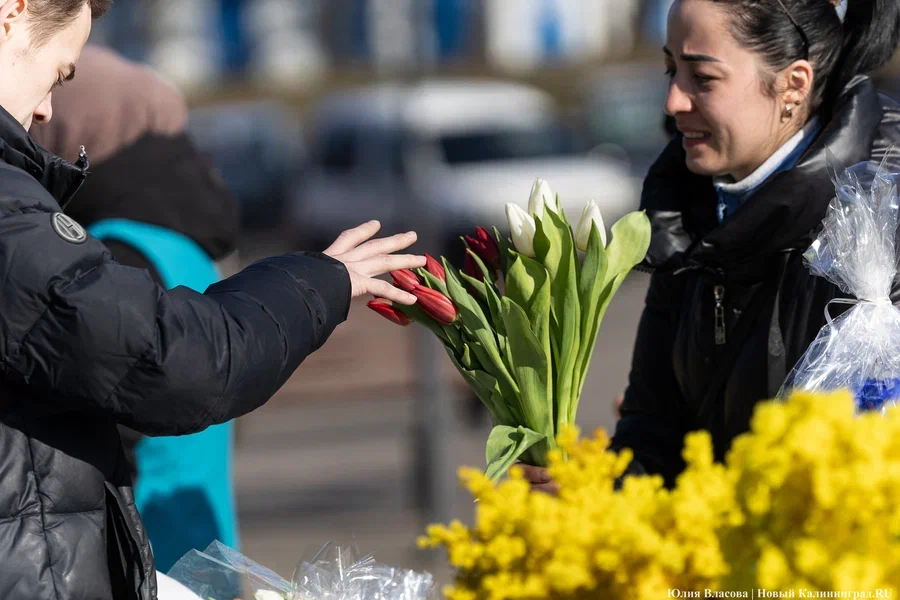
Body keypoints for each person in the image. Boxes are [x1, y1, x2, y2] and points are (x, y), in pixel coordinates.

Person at [0, 1, 426, 599]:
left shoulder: (110, 241)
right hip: (173, 546)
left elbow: (160, 359)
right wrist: (315, 284)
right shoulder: (72, 229)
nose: (45, 110)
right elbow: (173, 363)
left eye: (65, 81)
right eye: (57, 72)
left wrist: (315, 283)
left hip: (161, 545)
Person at [525, 0, 900, 494]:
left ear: (794, 84)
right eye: (670, 69)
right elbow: (655, 432)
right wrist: (591, 491)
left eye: (702, 78)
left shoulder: (880, 221)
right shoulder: (684, 215)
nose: (673, 102)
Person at [30, 44, 243, 577]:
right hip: (200, 551)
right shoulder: (184, 244)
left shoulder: (112, 257)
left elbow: (85, 436)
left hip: (140, 562)